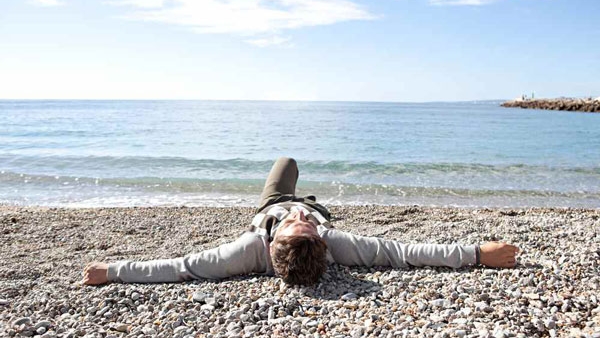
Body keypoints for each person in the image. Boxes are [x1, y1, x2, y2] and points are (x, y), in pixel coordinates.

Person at [83, 157, 519, 286]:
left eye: (299, 223)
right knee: (305, 189)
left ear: (274, 243)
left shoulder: (246, 251)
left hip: (269, 203)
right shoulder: (333, 240)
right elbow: (402, 252)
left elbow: (179, 267)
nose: (300, 218)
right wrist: (478, 253)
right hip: (314, 204)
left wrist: (113, 271)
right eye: (305, 224)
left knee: (286, 162)